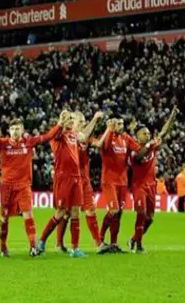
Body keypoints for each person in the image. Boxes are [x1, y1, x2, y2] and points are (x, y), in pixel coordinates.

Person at [0, 118, 63, 257]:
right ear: (9, 131)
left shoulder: (29, 142)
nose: (15, 131)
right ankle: (3, 247)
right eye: (13, 129)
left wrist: (60, 124)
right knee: (4, 218)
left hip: (23, 185)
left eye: (17, 129)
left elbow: (47, 136)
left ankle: (33, 247)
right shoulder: (2, 142)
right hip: (7, 186)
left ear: (22, 130)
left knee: (28, 214)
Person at [37, 110, 102, 258]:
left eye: (73, 119)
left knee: (75, 212)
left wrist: (94, 120)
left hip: (77, 178)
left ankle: (75, 248)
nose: (72, 121)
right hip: (63, 178)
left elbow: (84, 135)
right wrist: (61, 121)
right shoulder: (58, 135)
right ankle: (41, 241)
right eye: (70, 119)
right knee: (60, 213)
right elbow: (53, 133)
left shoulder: (74, 135)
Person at [55, 112, 109, 254]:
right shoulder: (68, 137)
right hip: (70, 179)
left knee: (91, 210)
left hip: (84, 180)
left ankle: (98, 244)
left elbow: (96, 143)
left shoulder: (85, 137)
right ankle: (59, 244)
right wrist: (95, 118)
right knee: (66, 213)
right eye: (81, 121)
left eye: (84, 120)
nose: (84, 123)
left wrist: (106, 129)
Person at [97, 117, 150, 253]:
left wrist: (150, 145)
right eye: (117, 123)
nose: (120, 126)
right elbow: (106, 146)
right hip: (109, 180)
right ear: (111, 124)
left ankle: (114, 243)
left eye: (121, 123)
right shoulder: (106, 136)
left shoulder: (126, 137)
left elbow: (139, 149)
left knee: (119, 213)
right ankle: (100, 237)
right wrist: (109, 130)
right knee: (113, 210)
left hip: (122, 181)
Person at [128, 107, 176, 252]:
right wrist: (149, 145)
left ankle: (134, 239)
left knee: (150, 219)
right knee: (141, 214)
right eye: (144, 133)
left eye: (149, 133)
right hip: (139, 186)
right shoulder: (134, 149)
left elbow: (163, 132)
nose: (148, 135)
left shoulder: (152, 146)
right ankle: (139, 245)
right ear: (137, 136)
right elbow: (139, 157)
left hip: (151, 185)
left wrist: (172, 116)